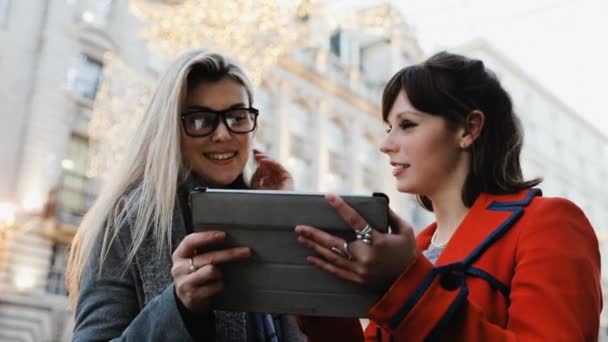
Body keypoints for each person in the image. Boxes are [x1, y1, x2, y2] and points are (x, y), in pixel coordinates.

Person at [294, 51, 602, 341]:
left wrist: (407, 286)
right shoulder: (415, 249)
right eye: (389, 127)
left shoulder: (548, 223)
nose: (386, 144)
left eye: (407, 125)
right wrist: (321, 298)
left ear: (468, 129)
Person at [66, 49, 304, 341]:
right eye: (201, 120)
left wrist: (282, 215)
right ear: (172, 130)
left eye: (237, 117)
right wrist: (179, 307)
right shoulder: (129, 221)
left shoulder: (265, 208)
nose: (222, 135)